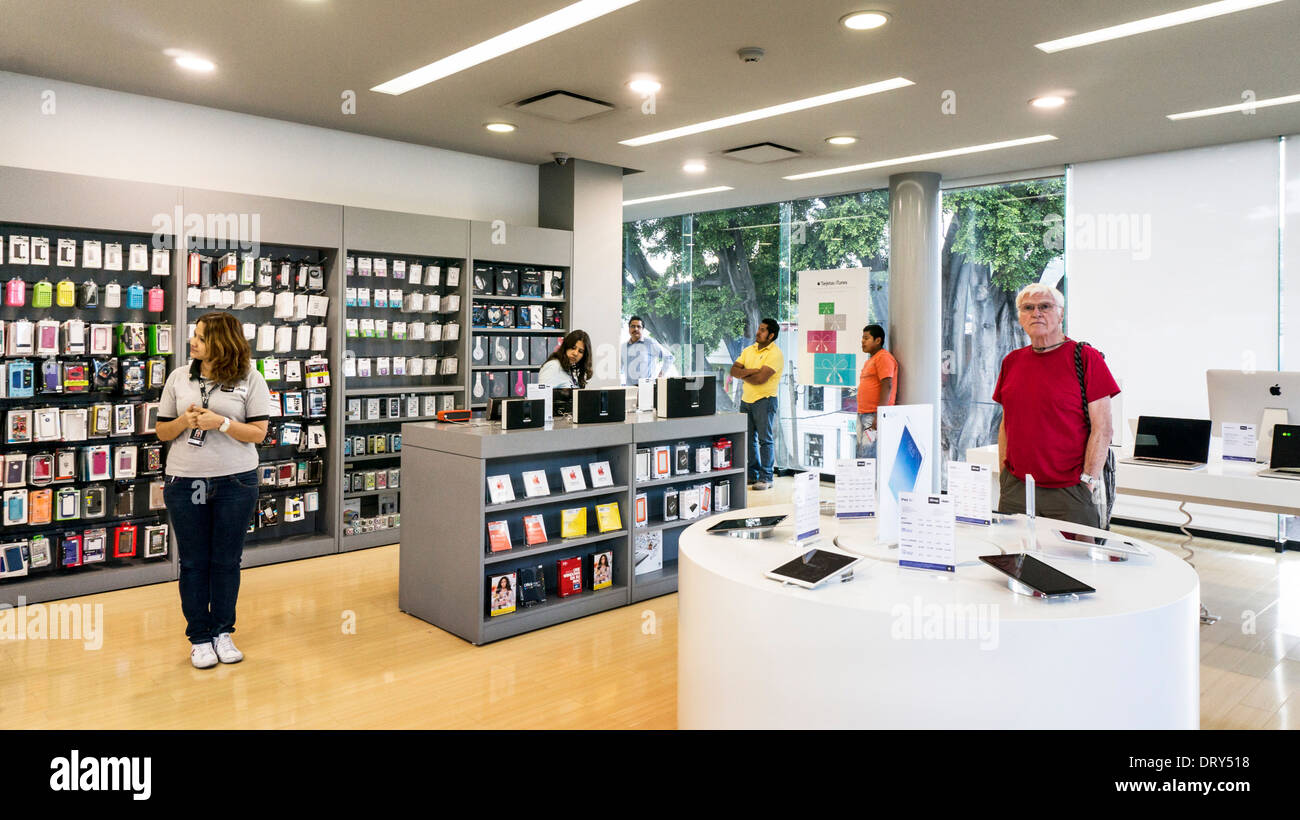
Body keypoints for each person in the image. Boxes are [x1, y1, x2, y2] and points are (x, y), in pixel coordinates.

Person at [156, 312, 270, 669]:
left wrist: (219, 422)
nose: (193, 342)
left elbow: (258, 433)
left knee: (226, 561)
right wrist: (184, 421)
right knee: (193, 563)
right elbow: (162, 432)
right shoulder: (179, 377)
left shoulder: (251, 379)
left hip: (236, 481)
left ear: (222, 343)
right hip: (186, 481)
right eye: (195, 335)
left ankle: (223, 631)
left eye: (201, 338)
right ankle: (200, 638)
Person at [993, 283, 1119, 528]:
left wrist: (1087, 482)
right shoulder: (1012, 361)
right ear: (1020, 317)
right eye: (1028, 308)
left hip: (1070, 491)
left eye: (1045, 306)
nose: (1036, 313)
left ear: (1061, 314)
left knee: (1074, 564)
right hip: (1017, 488)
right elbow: (1006, 423)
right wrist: (1005, 475)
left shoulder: (1085, 358)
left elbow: (1102, 429)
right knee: (1015, 560)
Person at [730, 318, 784, 491]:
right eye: (758, 329)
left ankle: (766, 478)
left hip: (765, 400)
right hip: (746, 400)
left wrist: (743, 373)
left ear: (771, 335)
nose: (758, 332)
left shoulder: (775, 354)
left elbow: (761, 379)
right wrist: (752, 371)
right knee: (749, 440)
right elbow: (733, 371)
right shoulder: (749, 350)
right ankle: (752, 475)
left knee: (765, 440)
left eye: (762, 330)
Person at [857, 323, 897, 458]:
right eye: (862, 338)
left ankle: (872, 480)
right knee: (863, 454)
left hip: (873, 415)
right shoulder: (871, 360)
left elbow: (887, 385)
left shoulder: (883, 357)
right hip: (864, 414)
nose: (862, 341)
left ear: (878, 340)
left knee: (868, 456)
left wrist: (880, 414)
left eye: (866, 338)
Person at [621, 315, 675, 385]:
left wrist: (660, 376)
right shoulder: (623, 347)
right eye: (633, 326)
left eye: (639, 326)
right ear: (629, 329)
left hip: (647, 389)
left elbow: (669, 357)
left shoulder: (650, 343)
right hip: (630, 390)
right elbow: (619, 369)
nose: (636, 329)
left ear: (642, 329)